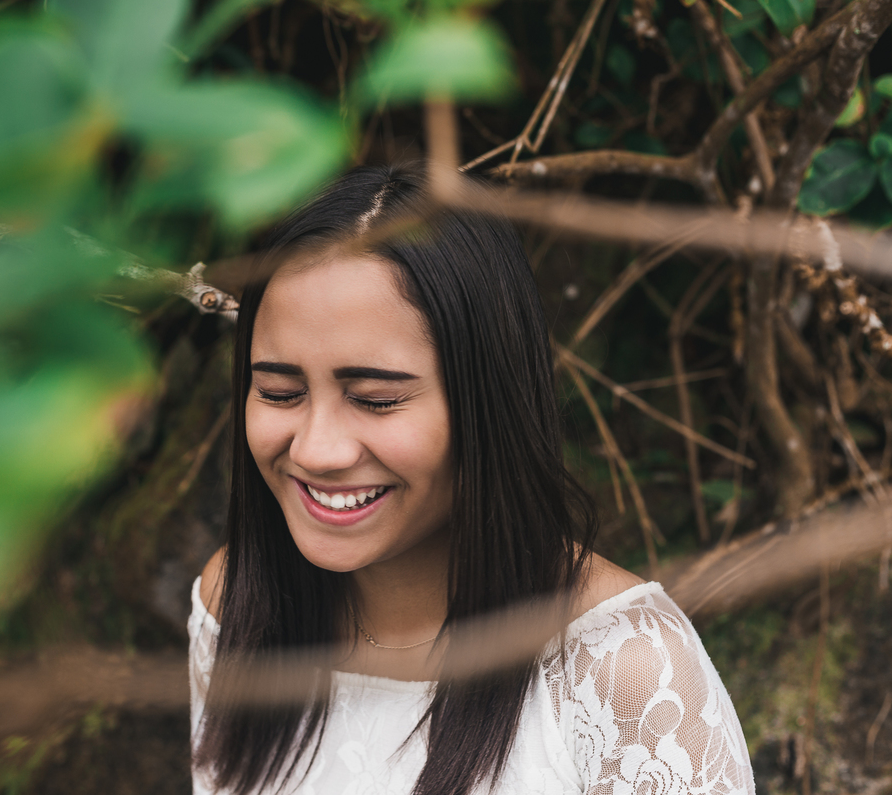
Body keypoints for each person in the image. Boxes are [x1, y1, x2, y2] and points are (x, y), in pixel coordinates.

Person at [187, 165, 755, 795]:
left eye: (375, 399)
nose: (317, 450)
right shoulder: (236, 602)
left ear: (489, 402)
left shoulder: (627, 672)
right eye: (279, 392)